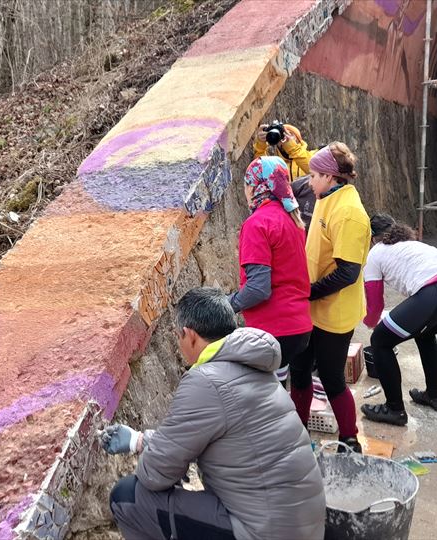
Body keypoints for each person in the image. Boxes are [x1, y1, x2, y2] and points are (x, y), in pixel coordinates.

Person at [102, 287, 325, 540]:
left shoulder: (206, 381)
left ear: (190, 335)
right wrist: (138, 441)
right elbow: (217, 436)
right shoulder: (255, 367)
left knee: (128, 496)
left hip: (264, 531)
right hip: (302, 524)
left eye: (178, 337)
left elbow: (155, 475)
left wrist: (162, 458)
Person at [289, 142, 370, 453]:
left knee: (333, 377)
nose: (309, 182)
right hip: (311, 306)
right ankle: (297, 436)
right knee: (299, 370)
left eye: (313, 176)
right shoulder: (326, 196)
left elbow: (348, 273)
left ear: (330, 176)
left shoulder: (349, 212)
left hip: (334, 311)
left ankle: (349, 439)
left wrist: (308, 292)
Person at [359, 214, 437, 426]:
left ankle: (394, 409)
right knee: (425, 333)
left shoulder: (375, 254)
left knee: (380, 341)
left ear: (372, 237)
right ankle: (434, 395)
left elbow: (375, 304)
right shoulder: (411, 244)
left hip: (436, 291)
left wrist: (370, 322)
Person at [229, 156, 312, 386]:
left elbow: (258, 289)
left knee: (258, 404)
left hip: (272, 329)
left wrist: (225, 305)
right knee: (277, 392)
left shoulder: (257, 223)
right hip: (299, 326)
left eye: (246, 184)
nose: (244, 191)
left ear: (256, 186)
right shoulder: (292, 219)